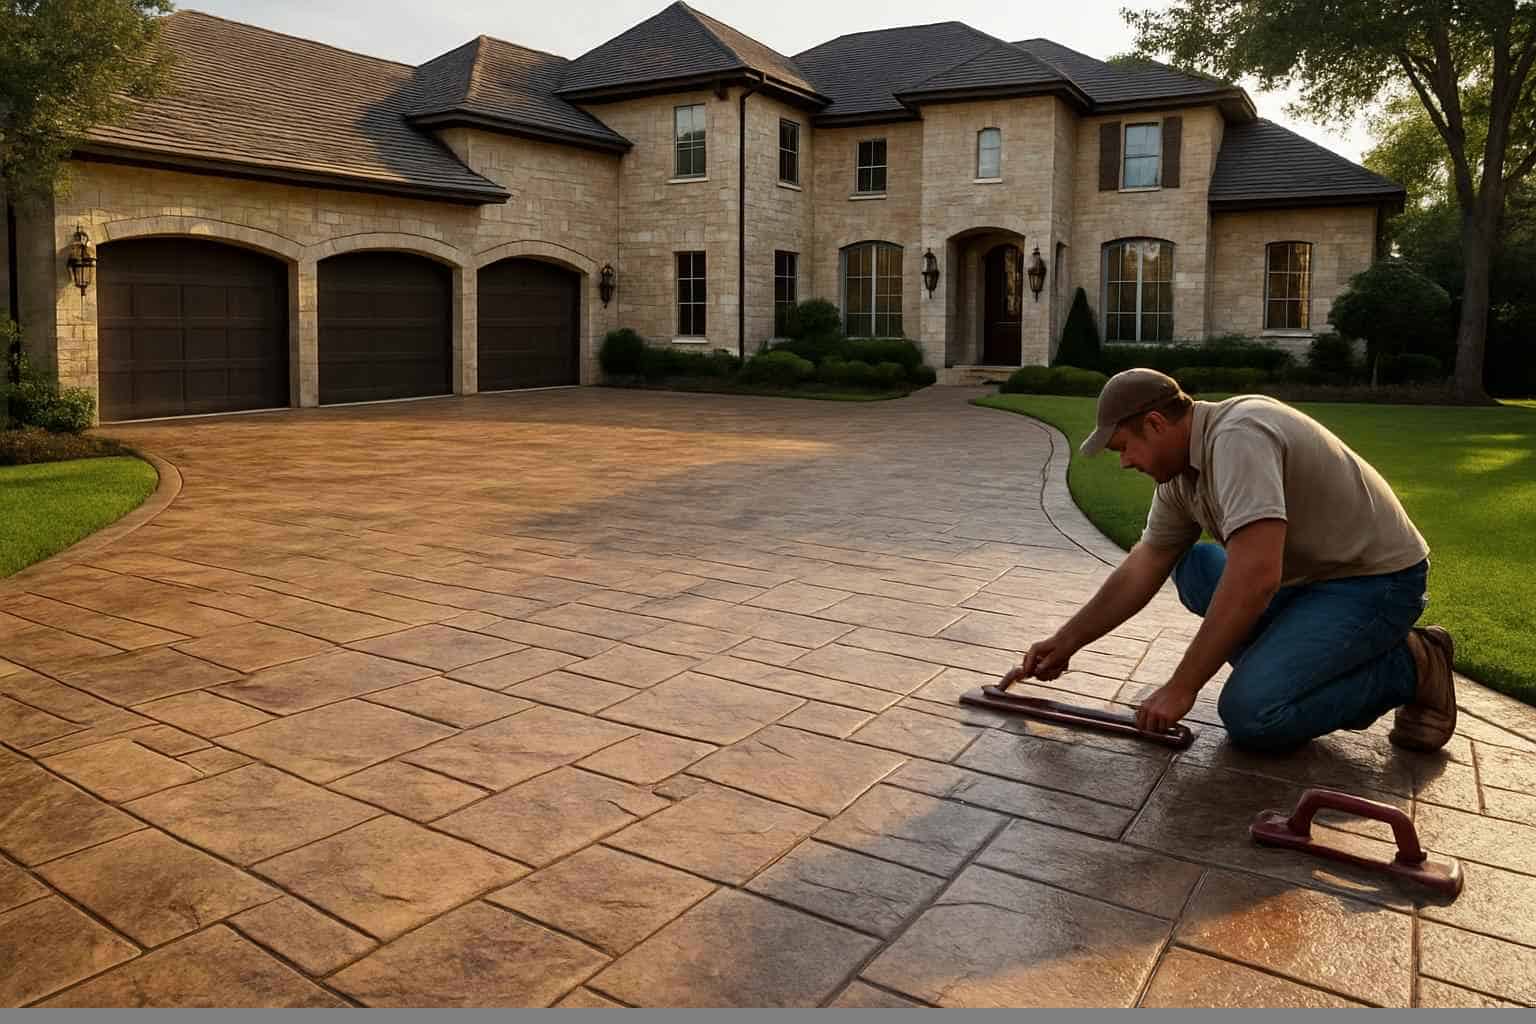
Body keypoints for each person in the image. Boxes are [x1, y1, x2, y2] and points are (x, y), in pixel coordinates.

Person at [1017, 368, 1456, 753]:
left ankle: (1413, 664)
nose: (1126, 463)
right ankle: (1289, 663)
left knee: (1254, 713)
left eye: (1124, 448)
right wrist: (1067, 639)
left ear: (1154, 424)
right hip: (1306, 582)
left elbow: (1256, 578)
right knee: (1192, 565)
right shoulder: (1179, 475)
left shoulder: (1239, 435)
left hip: (1375, 584)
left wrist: (1181, 687)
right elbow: (1144, 564)